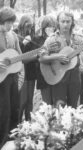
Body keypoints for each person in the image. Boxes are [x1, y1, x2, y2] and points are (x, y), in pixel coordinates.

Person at [38, 11, 83, 108]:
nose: (65, 24)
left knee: (74, 107)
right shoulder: (51, 39)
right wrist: (57, 57)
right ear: (58, 22)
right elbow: (42, 58)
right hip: (58, 76)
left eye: (68, 21)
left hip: (75, 76)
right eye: (63, 21)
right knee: (59, 107)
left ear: (72, 22)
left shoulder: (79, 39)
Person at [0, 7, 22, 148]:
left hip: (13, 76)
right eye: (8, 22)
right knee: (4, 111)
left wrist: (38, 54)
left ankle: (12, 141)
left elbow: (20, 56)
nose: (10, 25)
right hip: (1, 79)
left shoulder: (13, 35)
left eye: (12, 22)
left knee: (15, 109)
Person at [15, 14, 37, 121]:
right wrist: (23, 43)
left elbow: (35, 51)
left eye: (31, 26)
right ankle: (17, 124)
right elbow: (17, 56)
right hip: (21, 72)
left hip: (31, 72)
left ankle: (28, 124)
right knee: (21, 101)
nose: (29, 28)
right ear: (22, 24)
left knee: (29, 101)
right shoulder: (15, 34)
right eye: (27, 26)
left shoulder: (33, 35)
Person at [34, 15, 57, 104]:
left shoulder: (57, 38)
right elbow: (36, 58)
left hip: (57, 73)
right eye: (48, 27)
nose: (51, 29)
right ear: (44, 28)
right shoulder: (37, 40)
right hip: (43, 75)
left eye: (53, 27)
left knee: (56, 102)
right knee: (47, 103)